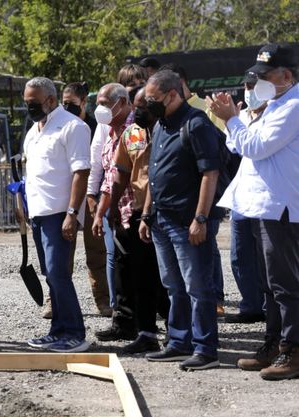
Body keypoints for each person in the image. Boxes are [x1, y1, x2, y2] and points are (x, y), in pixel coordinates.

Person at [209, 43, 299, 380]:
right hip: (263, 205)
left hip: (282, 207)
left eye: (265, 76)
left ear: (286, 75)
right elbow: (239, 144)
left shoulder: (293, 106)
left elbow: (255, 147)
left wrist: (232, 119)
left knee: (285, 284)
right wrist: (237, 120)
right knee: (269, 284)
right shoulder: (275, 103)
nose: (258, 82)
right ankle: (274, 344)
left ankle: (293, 349)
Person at [140, 70, 222, 370]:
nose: (150, 105)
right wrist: (147, 214)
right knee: (173, 285)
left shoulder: (196, 124)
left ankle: (205, 349)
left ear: (173, 94)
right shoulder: (161, 124)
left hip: (188, 222)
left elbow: (209, 173)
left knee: (198, 287)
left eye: (154, 99)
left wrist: (200, 217)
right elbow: (154, 173)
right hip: (162, 219)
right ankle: (178, 342)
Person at [21, 77, 91, 353]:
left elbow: (81, 172)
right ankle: (58, 330)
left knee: (59, 274)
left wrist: (72, 213)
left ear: (50, 100)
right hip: (38, 214)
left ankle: (75, 333)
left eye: (33, 103)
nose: (29, 108)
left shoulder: (73, 127)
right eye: (26, 103)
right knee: (50, 274)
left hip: (59, 213)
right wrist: (24, 207)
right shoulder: (33, 131)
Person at [102, 87, 169, 354]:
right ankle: (146, 333)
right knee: (141, 275)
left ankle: (179, 332)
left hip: (167, 211)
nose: (139, 110)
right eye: (137, 105)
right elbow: (120, 173)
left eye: (144, 105)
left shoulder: (169, 130)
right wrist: (113, 206)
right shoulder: (132, 134)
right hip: (138, 212)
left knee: (169, 278)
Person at [58, 82, 111, 319]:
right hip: (65, 195)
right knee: (62, 253)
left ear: (83, 102)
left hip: (91, 196)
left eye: (72, 103)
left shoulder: (95, 126)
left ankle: (103, 301)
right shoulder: (58, 125)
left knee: (96, 252)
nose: (67, 106)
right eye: (64, 102)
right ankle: (55, 301)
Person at [90, 83, 137, 343]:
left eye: (105, 103)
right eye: (99, 103)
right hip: (117, 212)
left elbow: (134, 174)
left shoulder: (134, 131)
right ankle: (125, 323)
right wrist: (101, 211)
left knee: (138, 271)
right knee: (122, 269)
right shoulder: (110, 131)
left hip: (135, 211)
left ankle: (146, 326)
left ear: (122, 102)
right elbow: (108, 177)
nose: (101, 109)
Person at [224, 74, 267, 324]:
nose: (248, 91)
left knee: (267, 255)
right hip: (242, 195)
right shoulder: (240, 117)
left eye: (253, 86)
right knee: (240, 255)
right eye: (246, 86)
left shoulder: (275, 116)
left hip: (265, 197)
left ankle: (268, 305)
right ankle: (251, 305)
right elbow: (233, 148)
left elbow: (254, 147)